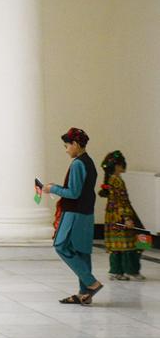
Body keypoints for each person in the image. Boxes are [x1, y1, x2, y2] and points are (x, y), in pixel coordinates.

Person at [45, 127, 102, 305]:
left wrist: (51, 189)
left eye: (67, 145)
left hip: (74, 213)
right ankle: (84, 294)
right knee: (82, 251)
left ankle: (91, 283)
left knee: (61, 245)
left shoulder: (77, 163)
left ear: (75, 144)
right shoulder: (89, 162)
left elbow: (73, 192)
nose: (66, 149)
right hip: (86, 212)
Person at [99, 150, 146, 281]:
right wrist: (127, 218)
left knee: (117, 245)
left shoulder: (110, 180)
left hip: (112, 217)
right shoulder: (118, 181)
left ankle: (116, 271)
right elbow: (122, 201)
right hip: (121, 217)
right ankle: (131, 270)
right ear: (118, 166)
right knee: (133, 242)